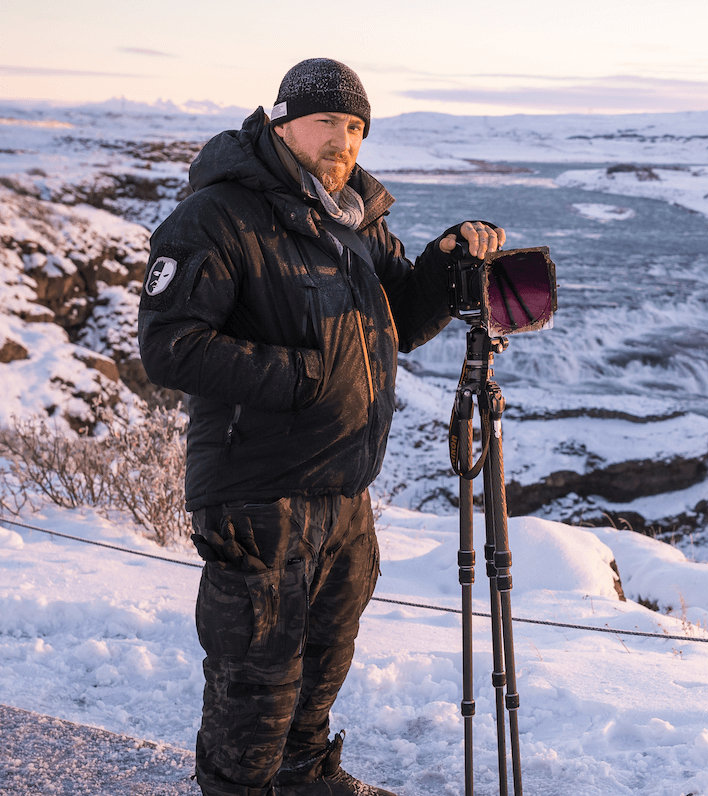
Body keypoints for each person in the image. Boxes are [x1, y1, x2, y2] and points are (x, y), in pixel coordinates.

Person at [138, 58, 506, 796]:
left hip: (342, 484)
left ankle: (307, 777)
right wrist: (306, 377)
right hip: (258, 490)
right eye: (326, 122)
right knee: (257, 676)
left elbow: (400, 324)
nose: (343, 139)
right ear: (281, 123)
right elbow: (169, 346)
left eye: (355, 126)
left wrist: (441, 263)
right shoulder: (218, 218)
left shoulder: (357, 219)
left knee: (325, 655)